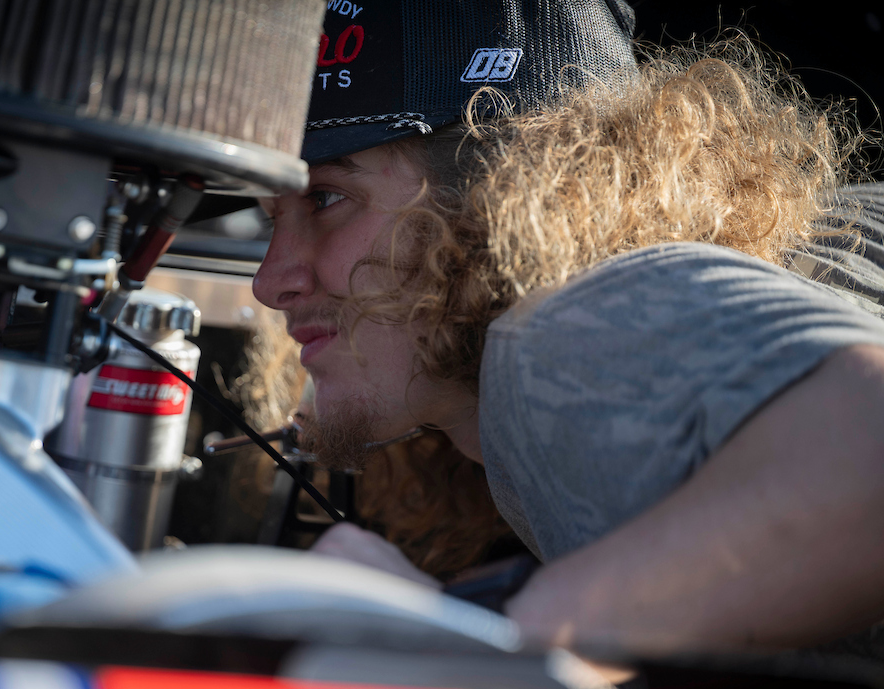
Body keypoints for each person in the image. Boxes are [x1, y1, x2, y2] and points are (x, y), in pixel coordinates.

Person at [252, 0, 884, 654]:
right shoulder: (804, 248)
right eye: (271, 218)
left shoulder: (560, 329)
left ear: (503, 191)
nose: (268, 282)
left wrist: (480, 632)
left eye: (325, 198)